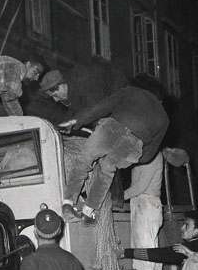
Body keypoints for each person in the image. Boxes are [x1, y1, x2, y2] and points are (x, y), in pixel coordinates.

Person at [57, 81, 169, 224]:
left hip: (113, 127)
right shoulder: (164, 117)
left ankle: (68, 203)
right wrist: (135, 159)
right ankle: (88, 210)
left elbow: (100, 108)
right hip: (134, 142)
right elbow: (149, 154)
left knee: (85, 159)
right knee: (106, 170)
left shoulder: (131, 91)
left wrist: (76, 121)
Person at [123, 151, 164, 270]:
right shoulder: (147, 154)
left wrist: (120, 196)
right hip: (144, 202)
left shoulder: (152, 156)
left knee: (144, 247)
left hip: (146, 202)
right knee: (151, 246)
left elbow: (141, 185)